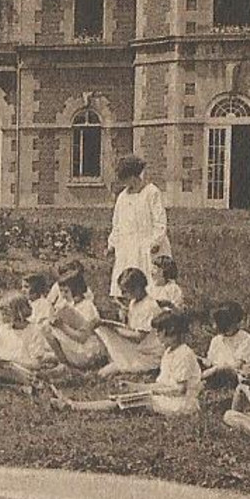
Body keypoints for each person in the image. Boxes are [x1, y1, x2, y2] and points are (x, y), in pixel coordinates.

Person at [59, 309, 201, 416]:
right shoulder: (169, 352)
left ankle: (75, 406)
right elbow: (163, 384)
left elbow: (179, 390)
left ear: (170, 331)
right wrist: (135, 386)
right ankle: (74, 405)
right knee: (123, 399)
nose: (157, 336)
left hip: (182, 404)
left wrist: (145, 391)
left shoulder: (184, 354)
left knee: (125, 402)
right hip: (168, 398)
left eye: (159, 332)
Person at [0, 295, 72, 393]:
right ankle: (17, 387)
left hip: (25, 369)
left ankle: (28, 383)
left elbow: (36, 364)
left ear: (17, 312)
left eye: (6, 313)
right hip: (4, 367)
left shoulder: (33, 330)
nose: (2, 316)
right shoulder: (4, 329)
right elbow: (0, 355)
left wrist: (13, 362)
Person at [106, 155, 170, 299]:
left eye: (127, 178)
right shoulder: (122, 197)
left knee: (149, 284)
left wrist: (156, 242)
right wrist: (112, 244)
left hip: (146, 246)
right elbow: (117, 224)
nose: (125, 183)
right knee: (126, 283)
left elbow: (159, 221)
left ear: (134, 176)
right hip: (127, 247)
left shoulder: (151, 192)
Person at [94, 267, 164, 376]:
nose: (122, 294)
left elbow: (138, 337)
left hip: (149, 355)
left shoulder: (149, 306)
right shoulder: (133, 303)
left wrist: (115, 328)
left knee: (103, 373)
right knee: (101, 328)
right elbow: (131, 328)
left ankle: (123, 363)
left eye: (125, 291)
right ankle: (117, 360)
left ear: (137, 289)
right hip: (139, 348)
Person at [201, 301, 250, 390]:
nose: (215, 326)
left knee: (223, 369)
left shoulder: (246, 339)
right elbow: (210, 362)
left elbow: (236, 366)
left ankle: (201, 380)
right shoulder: (216, 340)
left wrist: (216, 369)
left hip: (236, 376)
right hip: (215, 373)